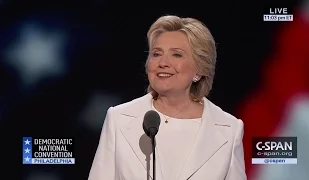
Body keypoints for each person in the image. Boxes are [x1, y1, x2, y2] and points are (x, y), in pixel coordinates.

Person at [88, 15, 246, 180]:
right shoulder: (118, 119)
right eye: (156, 54)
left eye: (177, 55)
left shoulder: (229, 129)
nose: (163, 62)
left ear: (199, 70)